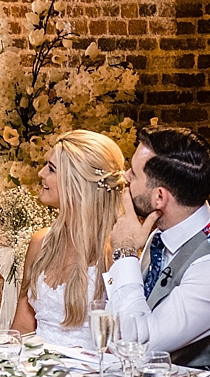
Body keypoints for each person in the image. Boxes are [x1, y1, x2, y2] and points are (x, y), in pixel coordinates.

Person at [105, 125, 210, 367]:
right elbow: (117, 322)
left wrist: (126, 254)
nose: (125, 176)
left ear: (159, 197)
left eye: (134, 173)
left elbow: (139, 347)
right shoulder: (161, 232)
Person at [11, 130, 127, 348]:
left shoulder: (115, 254)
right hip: (35, 371)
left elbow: (122, 340)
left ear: (78, 182)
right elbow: (23, 325)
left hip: (90, 375)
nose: (41, 173)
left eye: (52, 169)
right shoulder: (40, 242)